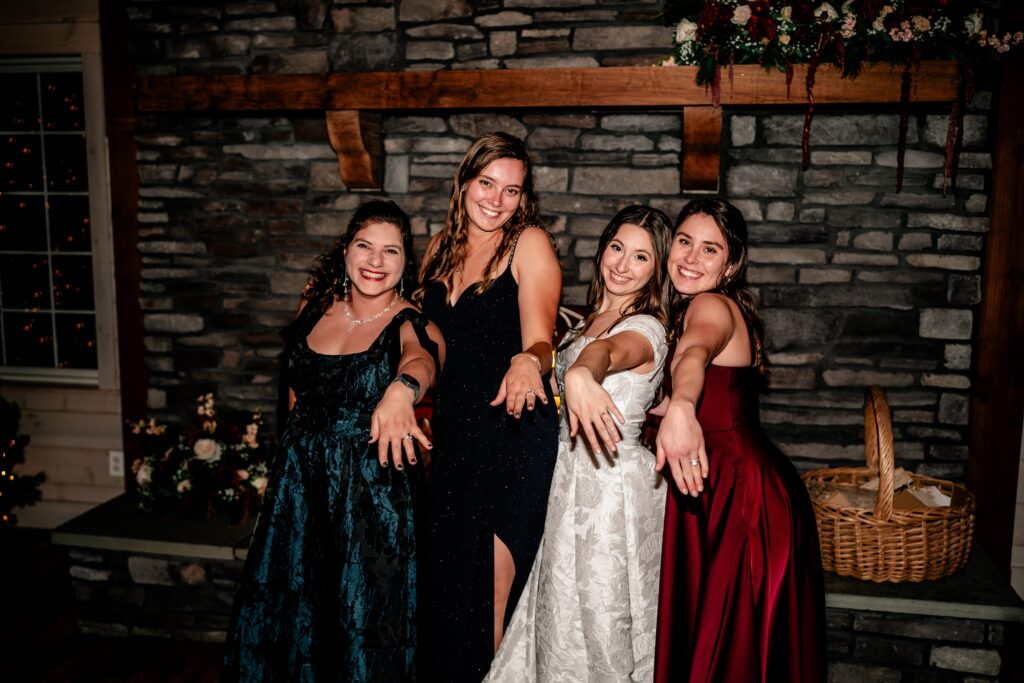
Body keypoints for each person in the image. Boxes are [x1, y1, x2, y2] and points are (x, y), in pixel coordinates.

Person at [222, 200, 444, 682]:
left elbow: (422, 360)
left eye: (391, 251)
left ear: (406, 264)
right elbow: (296, 394)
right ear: (346, 251)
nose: (376, 261)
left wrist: (403, 391)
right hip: (300, 491)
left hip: (370, 500)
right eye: (365, 246)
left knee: (362, 626)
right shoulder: (313, 307)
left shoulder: (411, 321)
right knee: (295, 616)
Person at [485, 205, 673, 682]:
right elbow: (577, 351)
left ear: (657, 271)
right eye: (616, 248)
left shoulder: (647, 328)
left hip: (611, 497)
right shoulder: (586, 321)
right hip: (568, 486)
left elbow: (609, 352)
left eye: (640, 258)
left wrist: (587, 374)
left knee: (604, 621)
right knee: (559, 616)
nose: (622, 265)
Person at [652, 198, 826, 682]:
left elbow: (694, 354)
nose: (690, 257)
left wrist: (683, 405)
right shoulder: (697, 307)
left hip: (741, 498)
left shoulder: (709, 306)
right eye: (684, 241)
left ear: (730, 265)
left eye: (710, 250)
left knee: (732, 651)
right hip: (731, 484)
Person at [416, 131, 562, 681]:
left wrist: (530, 359)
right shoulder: (437, 249)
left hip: (511, 432)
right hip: (453, 437)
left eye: (512, 190)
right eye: (487, 183)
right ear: (465, 181)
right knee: (448, 583)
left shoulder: (528, 245)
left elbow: (542, 340)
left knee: (494, 594)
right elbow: (419, 340)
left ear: (523, 199)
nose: (496, 200)